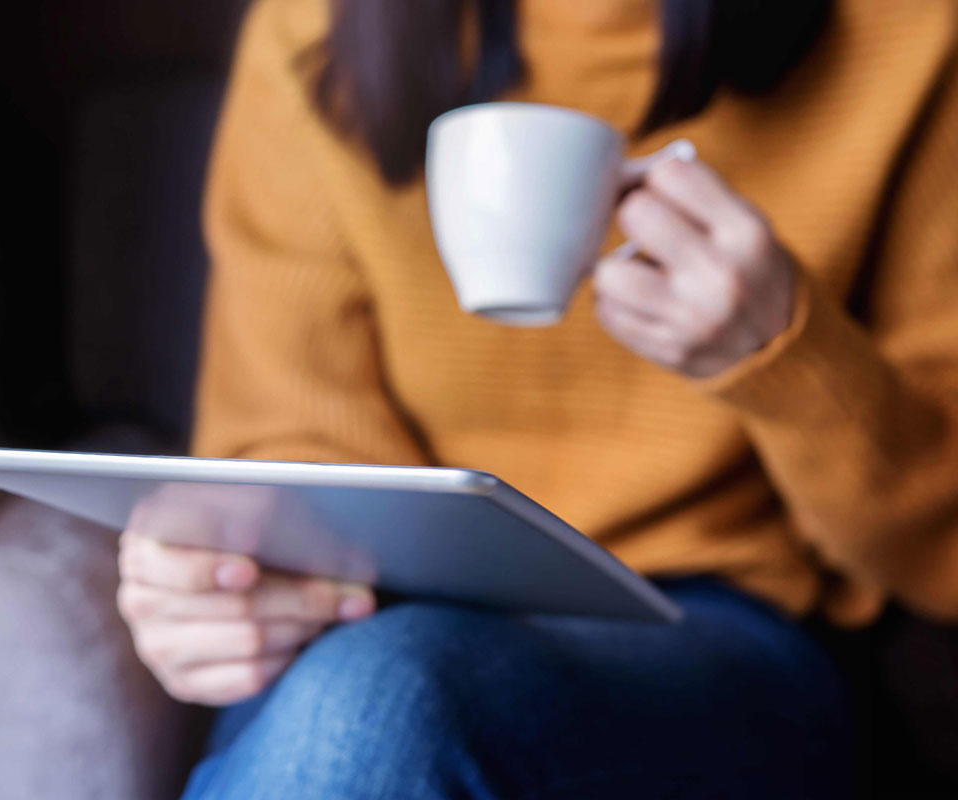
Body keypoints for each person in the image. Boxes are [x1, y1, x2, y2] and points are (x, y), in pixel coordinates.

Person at [115, 0, 958, 796]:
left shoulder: (906, 34)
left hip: (714, 636)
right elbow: (281, 442)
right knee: (371, 692)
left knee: (376, 698)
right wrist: (221, 577)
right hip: (382, 619)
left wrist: (787, 356)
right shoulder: (318, 27)